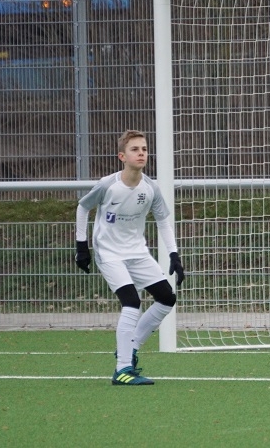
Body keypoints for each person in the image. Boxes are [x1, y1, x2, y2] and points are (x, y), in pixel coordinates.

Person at [74, 129, 185, 386]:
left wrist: (174, 255)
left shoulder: (151, 188)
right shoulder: (107, 185)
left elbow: (163, 221)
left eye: (144, 149)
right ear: (122, 156)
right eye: (135, 149)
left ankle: (130, 347)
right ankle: (122, 369)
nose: (141, 153)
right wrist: (81, 246)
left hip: (137, 252)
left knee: (167, 298)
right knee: (132, 302)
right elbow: (83, 207)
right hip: (109, 253)